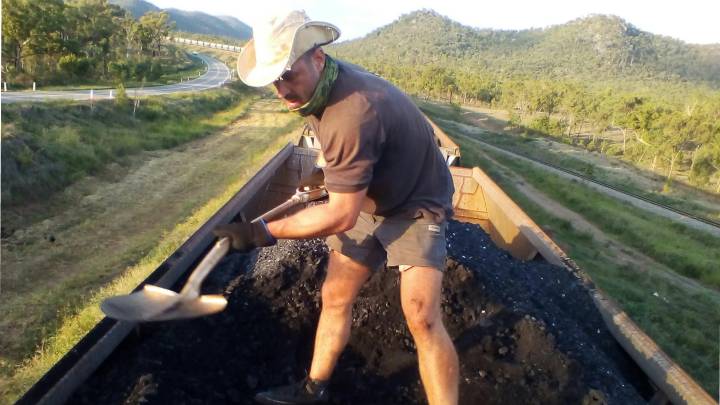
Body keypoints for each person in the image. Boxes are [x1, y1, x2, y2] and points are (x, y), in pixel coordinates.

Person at [214, 10, 459, 405]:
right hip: (369, 197)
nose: (281, 89)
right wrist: (327, 172)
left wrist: (263, 232)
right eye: (273, 80)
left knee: (421, 315)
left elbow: (341, 214)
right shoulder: (316, 89)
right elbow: (345, 158)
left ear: (318, 58)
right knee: (335, 295)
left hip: (416, 202)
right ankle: (313, 391)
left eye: (286, 74)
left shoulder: (353, 108)